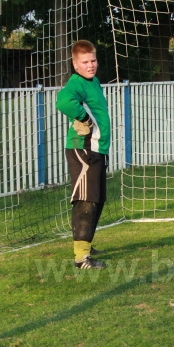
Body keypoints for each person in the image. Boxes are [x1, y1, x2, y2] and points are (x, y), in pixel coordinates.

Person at [56, 40, 111, 269]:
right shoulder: (76, 84)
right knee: (86, 200)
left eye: (93, 60)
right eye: (85, 62)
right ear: (75, 64)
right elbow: (63, 101)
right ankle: (81, 258)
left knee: (98, 199)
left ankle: (86, 244)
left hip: (98, 149)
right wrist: (84, 119)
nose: (91, 65)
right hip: (83, 149)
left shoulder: (94, 82)